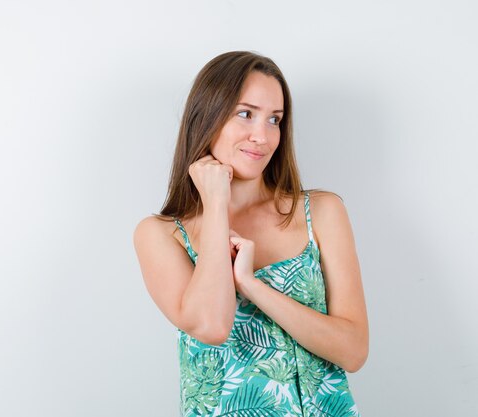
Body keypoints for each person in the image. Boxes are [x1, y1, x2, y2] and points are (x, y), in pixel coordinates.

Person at [133, 51, 368, 417]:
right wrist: (215, 204)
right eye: (246, 114)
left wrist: (251, 285)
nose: (262, 136)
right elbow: (211, 325)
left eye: (274, 119)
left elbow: (353, 351)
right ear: (207, 117)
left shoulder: (320, 212)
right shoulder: (161, 235)